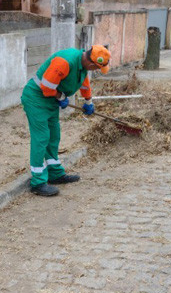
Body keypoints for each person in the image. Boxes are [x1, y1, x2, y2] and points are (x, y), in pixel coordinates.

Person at [21, 44, 111, 196]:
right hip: (36, 98)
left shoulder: (82, 65)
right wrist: (61, 97)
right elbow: (46, 87)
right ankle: (38, 182)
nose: (95, 71)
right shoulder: (65, 61)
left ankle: (55, 174)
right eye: (96, 68)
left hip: (50, 101)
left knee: (54, 136)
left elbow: (84, 83)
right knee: (41, 137)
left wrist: (88, 102)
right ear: (91, 63)